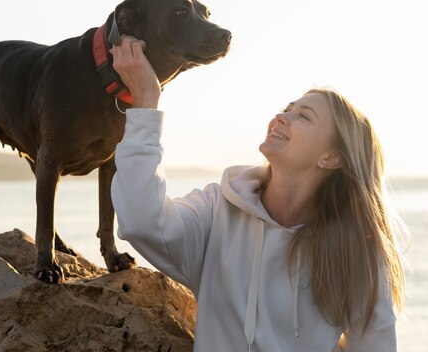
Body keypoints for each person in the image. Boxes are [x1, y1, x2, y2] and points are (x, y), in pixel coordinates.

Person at [110, 36, 406, 352]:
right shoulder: (217, 210)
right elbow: (141, 222)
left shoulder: (357, 251)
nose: (281, 118)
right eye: (286, 109)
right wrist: (145, 102)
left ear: (331, 158)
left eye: (303, 116)